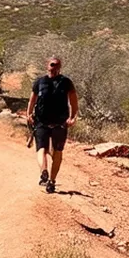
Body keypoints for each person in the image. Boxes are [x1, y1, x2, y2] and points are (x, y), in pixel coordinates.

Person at [25, 57, 78, 194]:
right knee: (41, 148)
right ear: (47, 66)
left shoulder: (66, 82)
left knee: (58, 151)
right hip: (41, 121)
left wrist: (72, 117)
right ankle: (44, 171)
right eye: (52, 65)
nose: (54, 68)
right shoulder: (40, 82)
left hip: (60, 123)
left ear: (60, 67)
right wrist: (29, 114)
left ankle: (52, 181)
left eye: (57, 65)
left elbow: (73, 101)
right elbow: (32, 100)